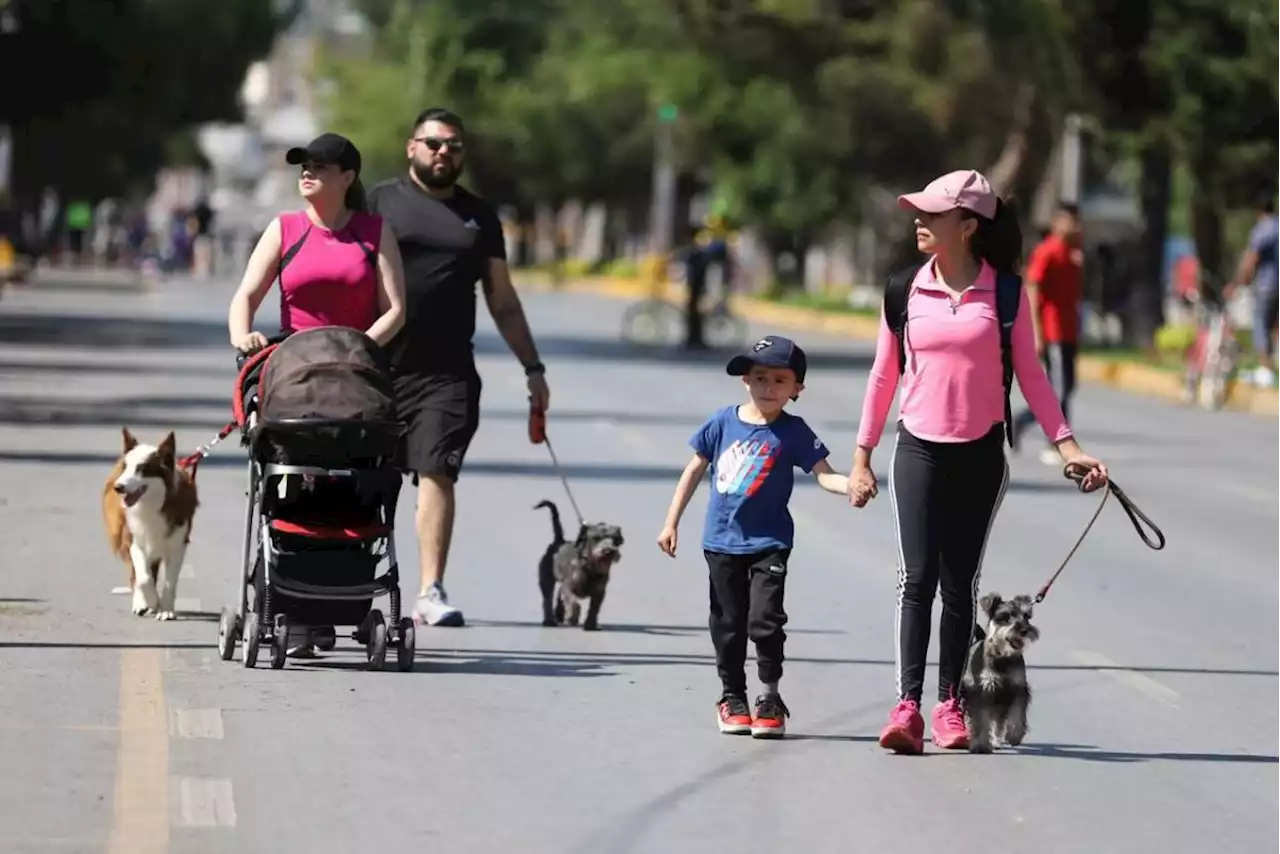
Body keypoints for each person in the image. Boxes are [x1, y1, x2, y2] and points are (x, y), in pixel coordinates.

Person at [847, 169, 1108, 755]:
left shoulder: (1007, 295)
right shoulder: (903, 289)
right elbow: (883, 375)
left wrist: (1067, 447)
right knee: (916, 581)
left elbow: (1034, 377)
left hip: (981, 456)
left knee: (959, 586)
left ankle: (949, 706)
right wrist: (861, 457)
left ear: (967, 226)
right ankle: (907, 706)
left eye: (932, 214)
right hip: (917, 447)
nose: (919, 221)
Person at [366, 108, 550, 627]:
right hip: (376, 364)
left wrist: (532, 368)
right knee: (364, 476)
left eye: (453, 146)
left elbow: (503, 299)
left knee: (437, 471)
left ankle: (430, 589)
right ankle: (352, 581)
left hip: (446, 372)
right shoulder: (379, 201)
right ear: (411, 148)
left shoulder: (479, 217)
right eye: (433, 144)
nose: (443, 153)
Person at [227, 132, 407, 656]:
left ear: (347, 177)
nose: (307, 172)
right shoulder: (284, 229)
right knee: (290, 486)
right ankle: (288, 601)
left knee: (355, 487)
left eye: (320, 166)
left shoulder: (374, 232)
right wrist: (244, 336)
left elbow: (396, 308)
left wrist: (356, 346)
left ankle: (339, 599)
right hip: (293, 380)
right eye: (303, 165)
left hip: (355, 381)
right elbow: (246, 295)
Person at [658, 335, 850, 739]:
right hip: (721, 541)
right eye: (760, 378)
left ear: (797, 388)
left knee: (765, 620)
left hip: (770, 542)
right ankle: (732, 697)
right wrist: (671, 521)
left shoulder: (794, 431)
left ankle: (769, 697)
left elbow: (825, 473)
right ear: (745, 379)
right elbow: (693, 471)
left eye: (780, 381)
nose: (769, 388)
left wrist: (850, 485)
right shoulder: (721, 422)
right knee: (728, 623)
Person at [1011, 201, 1084, 464]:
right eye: (1068, 221)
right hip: (1052, 332)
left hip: (1070, 332)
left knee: (1068, 387)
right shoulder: (1047, 252)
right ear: (1056, 223)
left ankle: (1021, 420)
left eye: (1076, 221)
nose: (1074, 226)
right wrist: (1037, 333)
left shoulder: (1074, 252)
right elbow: (1033, 289)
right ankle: (1056, 443)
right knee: (1059, 390)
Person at [1226, 190, 1280, 388]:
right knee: (1275, 326)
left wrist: (1238, 282)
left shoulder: (1263, 228)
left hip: (1267, 284)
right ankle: (1271, 368)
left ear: (1258, 210)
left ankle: (1265, 371)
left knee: (1261, 324)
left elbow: (1252, 257)